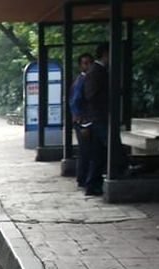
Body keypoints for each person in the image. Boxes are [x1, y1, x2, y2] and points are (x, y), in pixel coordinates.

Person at [79, 43, 110, 196]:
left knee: (98, 153)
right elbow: (90, 96)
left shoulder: (95, 72)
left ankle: (92, 184)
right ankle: (93, 183)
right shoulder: (96, 72)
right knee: (106, 150)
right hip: (97, 119)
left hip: (96, 118)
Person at [69, 53, 94, 188]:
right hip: (83, 121)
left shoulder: (83, 79)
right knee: (86, 151)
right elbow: (75, 101)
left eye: (90, 62)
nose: (88, 66)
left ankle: (83, 177)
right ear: (81, 65)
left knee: (86, 151)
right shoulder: (82, 80)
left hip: (84, 120)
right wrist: (80, 120)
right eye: (85, 63)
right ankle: (83, 178)